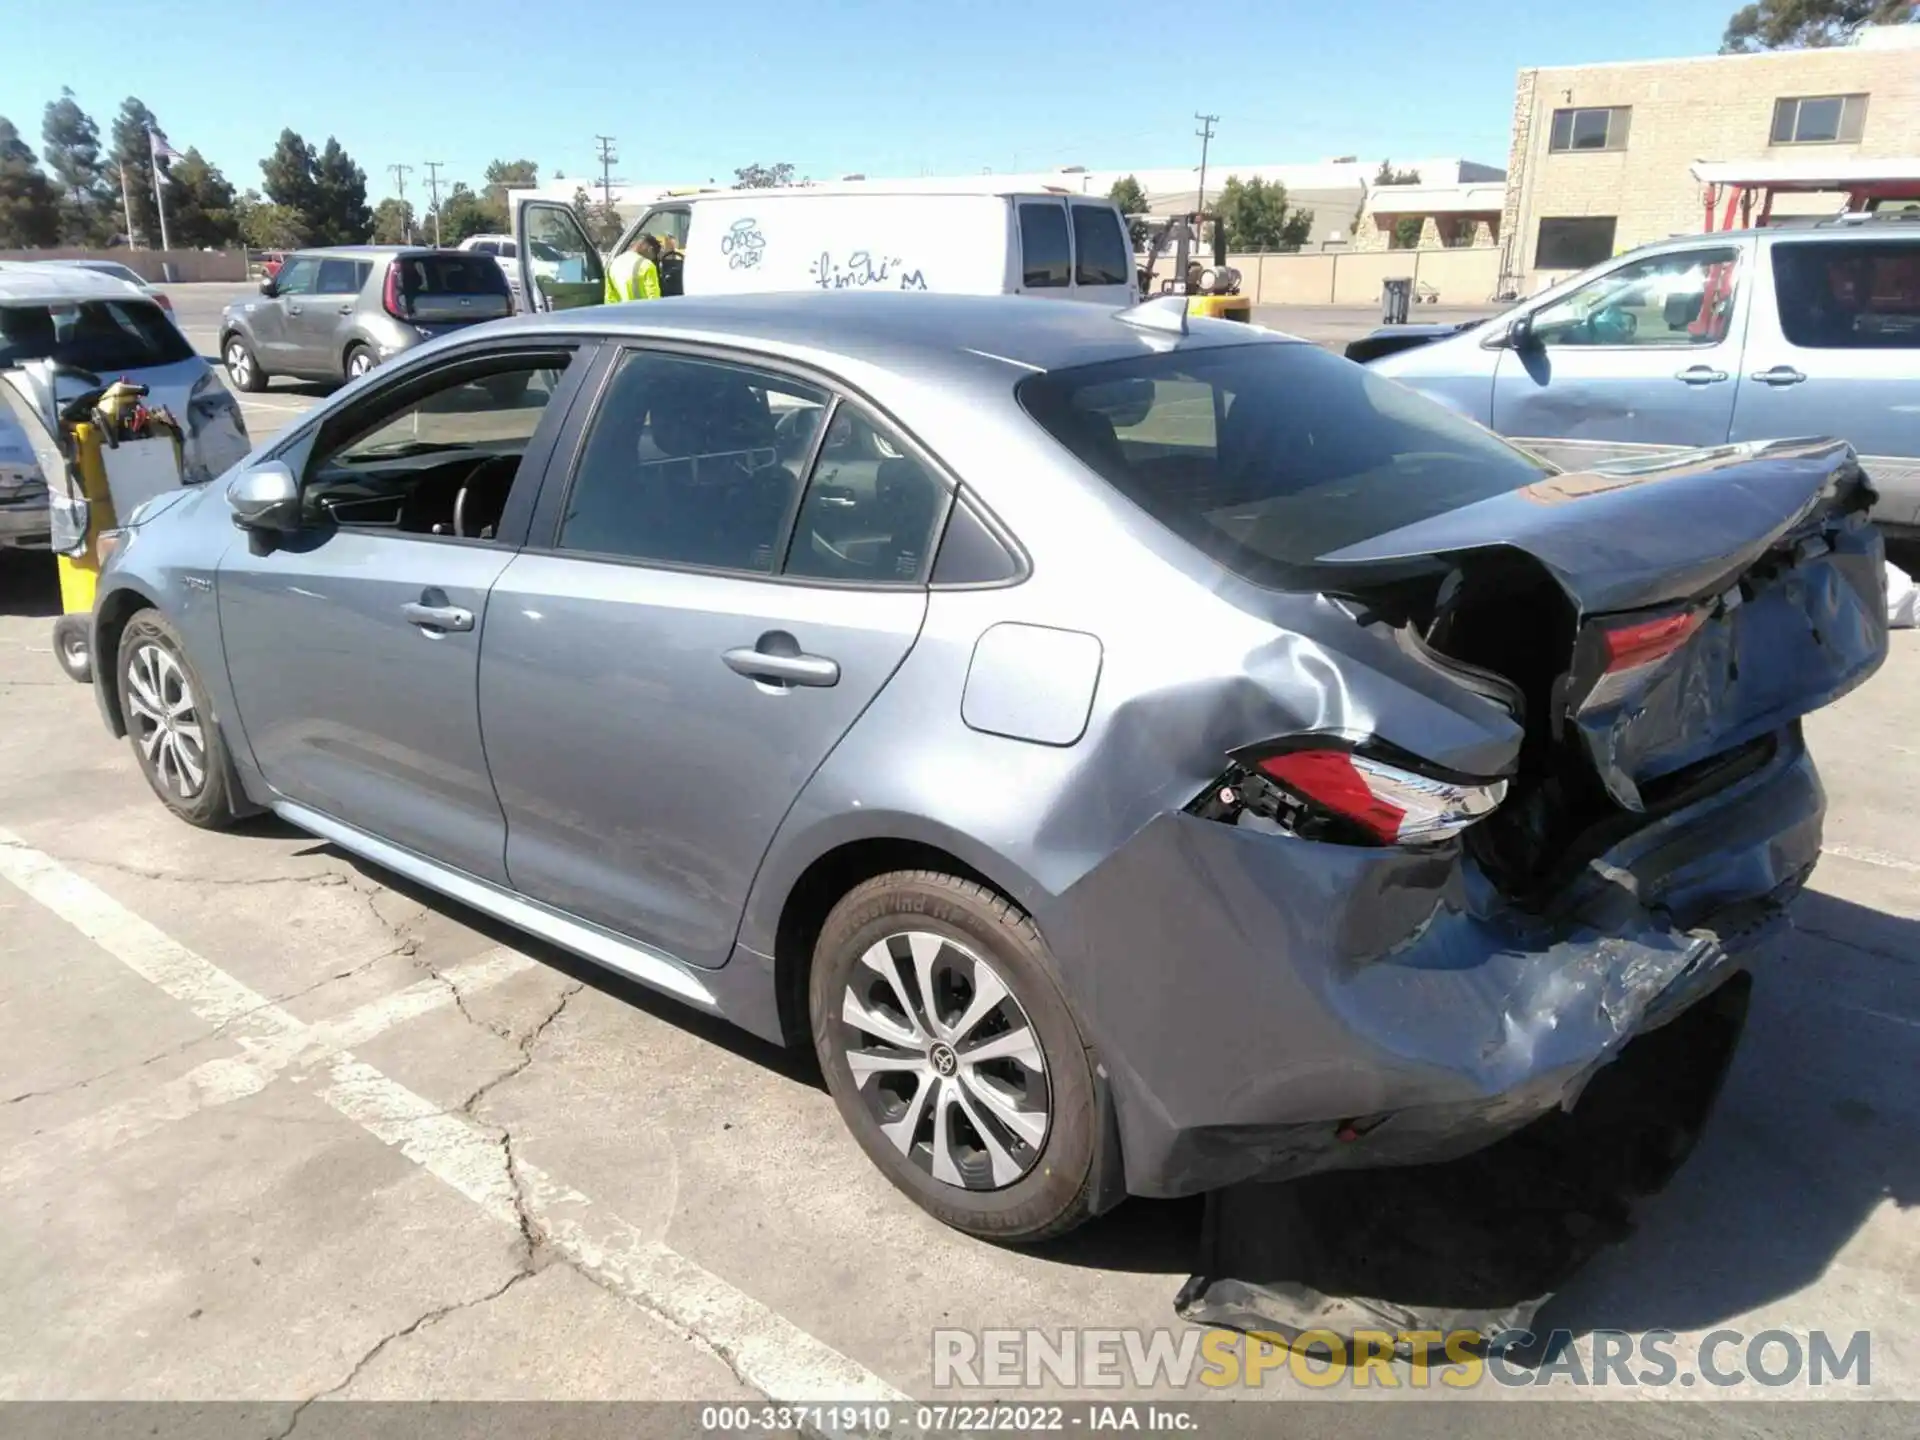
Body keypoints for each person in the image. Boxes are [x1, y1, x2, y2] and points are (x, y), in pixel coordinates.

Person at [604, 233, 663, 303]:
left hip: (620, 313)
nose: (651, 259)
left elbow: (609, 298)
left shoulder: (613, 264)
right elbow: (654, 300)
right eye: (653, 257)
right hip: (641, 312)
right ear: (650, 249)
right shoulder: (647, 266)